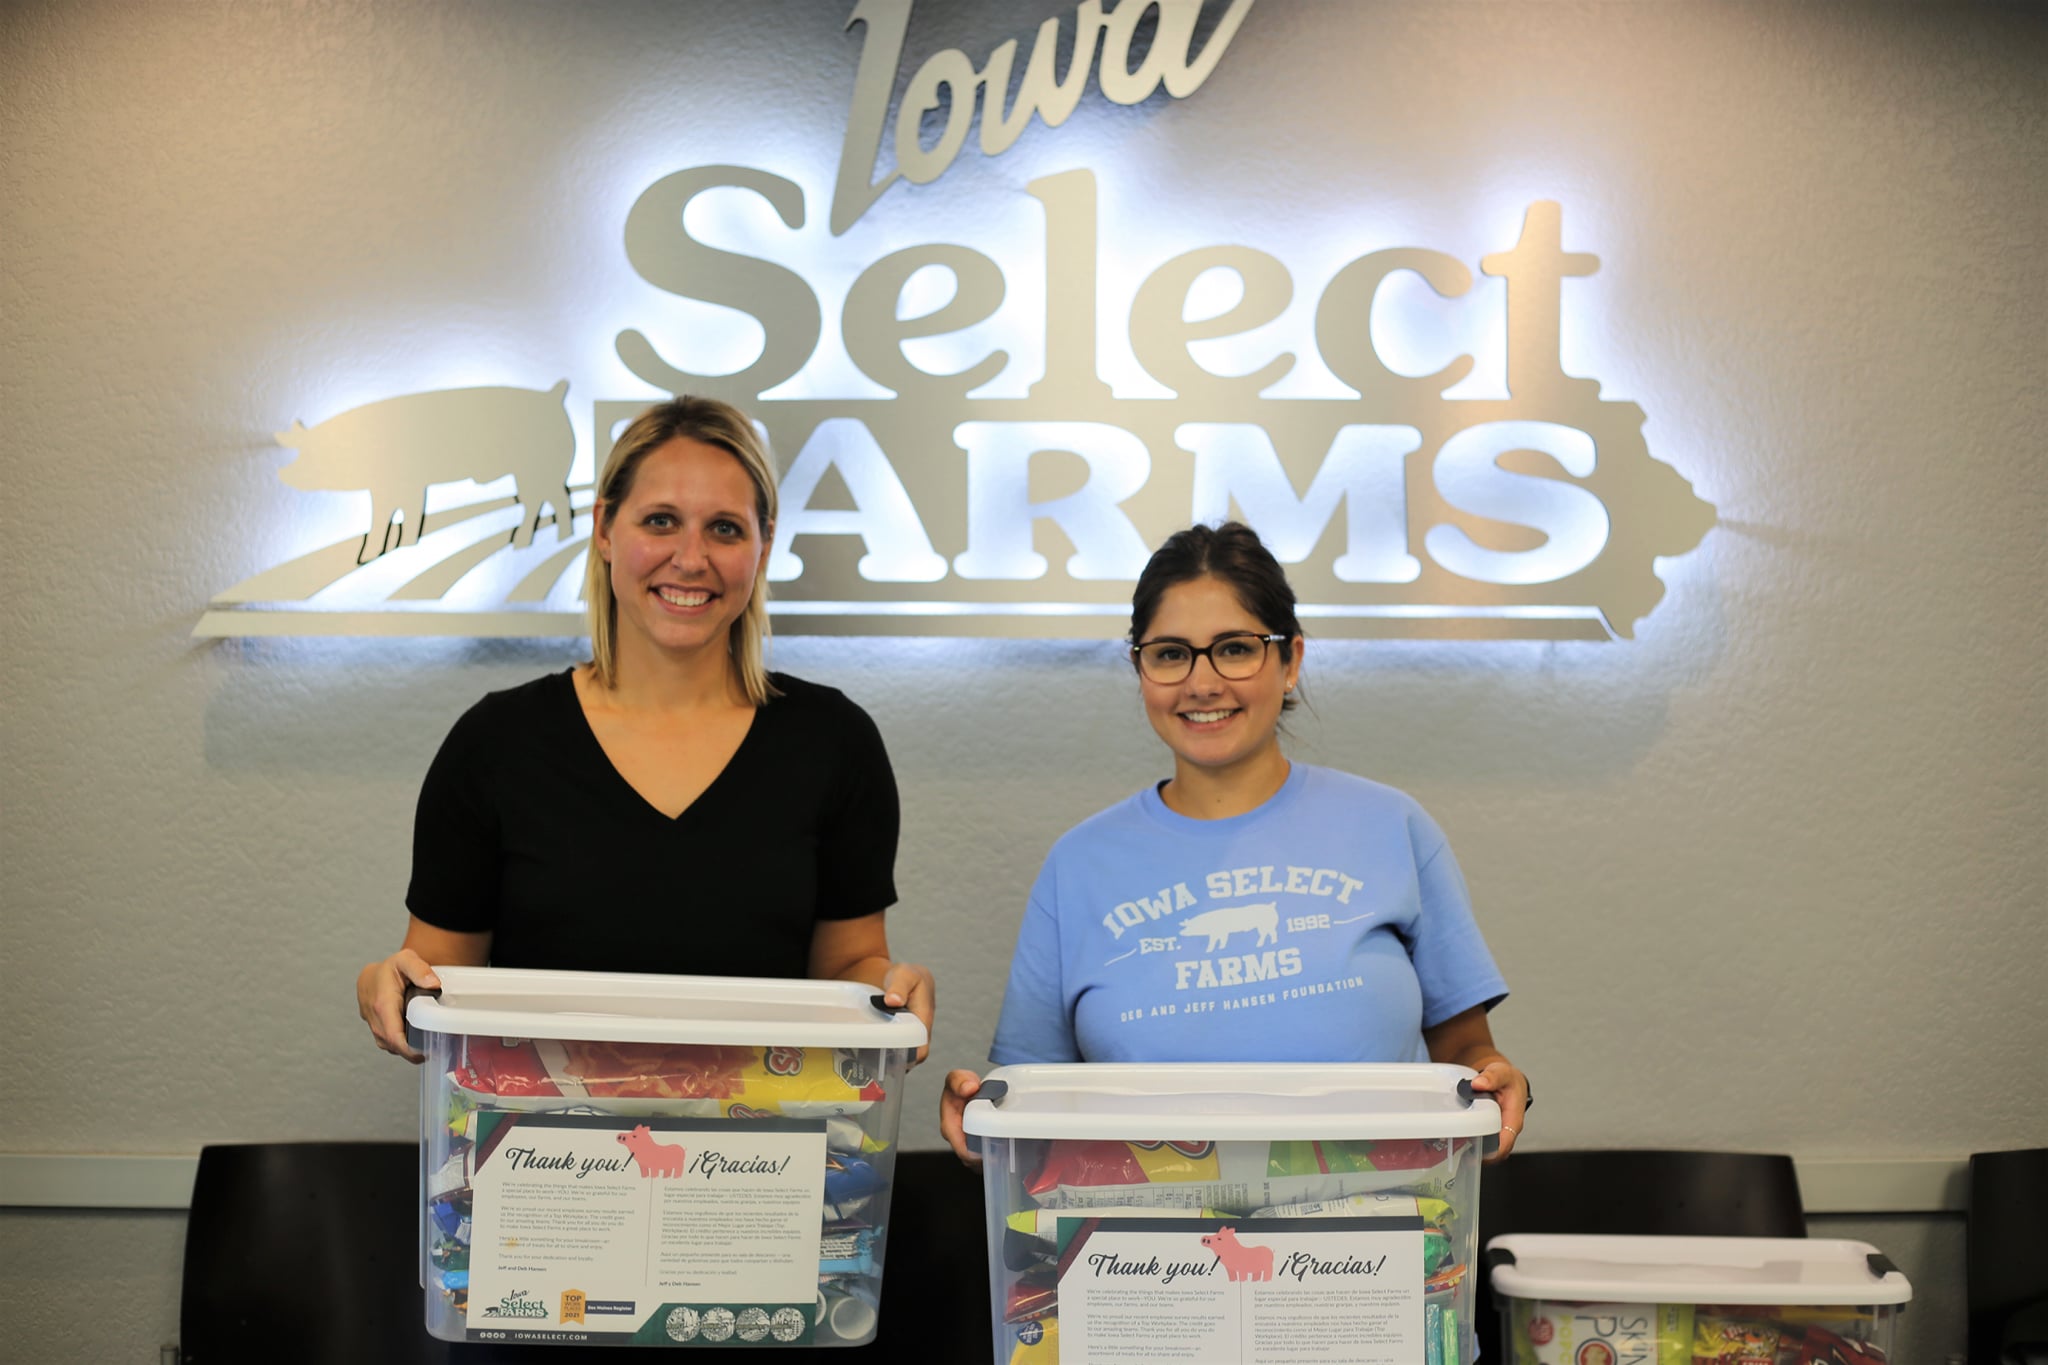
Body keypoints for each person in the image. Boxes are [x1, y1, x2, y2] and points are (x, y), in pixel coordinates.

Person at [356, 396, 933, 1059]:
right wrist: (383, 984)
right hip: (542, 1150)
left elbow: (847, 972)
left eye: (725, 528)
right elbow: (435, 984)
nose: (690, 558)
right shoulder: (495, 744)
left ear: (764, 546)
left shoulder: (835, 743)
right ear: (605, 528)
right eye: (661, 520)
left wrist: (889, 987)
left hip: (761, 1149)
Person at [941, 521, 1527, 1160]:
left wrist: (1497, 1079)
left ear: (1290, 660)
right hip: (1143, 1249)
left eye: (1235, 648)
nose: (1201, 683)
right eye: (1170, 653)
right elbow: (1028, 1098)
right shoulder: (1078, 865)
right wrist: (980, 1113)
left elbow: (1467, 1055)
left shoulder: (1393, 827)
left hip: (1376, 1235)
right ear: (1139, 669)